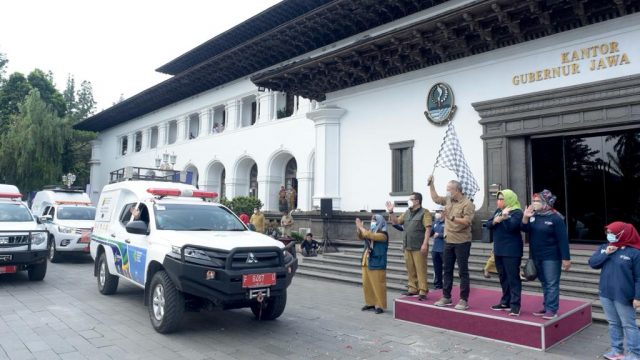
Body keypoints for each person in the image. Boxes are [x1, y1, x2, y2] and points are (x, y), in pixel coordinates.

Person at [589, 222, 640, 360]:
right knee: (613, 323)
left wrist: (638, 297)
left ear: (622, 234)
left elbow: (639, 277)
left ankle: (635, 354)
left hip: (624, 296)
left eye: (611, 232)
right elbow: (593, 263)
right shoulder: (605, 247)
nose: (609, 235)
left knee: (629, 325)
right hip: (606, 293)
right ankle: (617, 351)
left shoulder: (634, 253)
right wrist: (605, 253)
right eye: (607, 232)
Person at [521, 189, 571, 320]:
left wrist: (566, 258)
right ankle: (546, 306)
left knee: (551, 283)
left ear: (546, 203)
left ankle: (552, 309)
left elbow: (563, 240)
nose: (534, 203)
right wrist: (525, 216)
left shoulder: (556, 218)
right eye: (534, 200)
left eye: (537, 201)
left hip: (551, 257)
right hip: (536, 256)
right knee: (544, 283)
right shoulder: (534, 216)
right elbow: (524, 229)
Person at [428, 175, 475, 311]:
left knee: (462, 271)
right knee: (447, 269)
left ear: (457, 190)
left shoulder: (467, 203)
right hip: (448, 240)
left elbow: (467, 221)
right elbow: (436, 198)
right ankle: (446, 296)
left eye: (450, 190)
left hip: (462, 241)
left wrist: (452, 217)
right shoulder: (449, 200)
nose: (448, 192)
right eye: (447, 190)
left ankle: (463, 299)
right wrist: (431, 184)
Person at [386, 193, 432, 301]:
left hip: (419, 246)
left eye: (411, 199)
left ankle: (422, 290)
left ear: (417, 201)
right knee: (410, 268)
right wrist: (391, 212)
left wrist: (425, 243)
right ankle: (412, 288)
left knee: (421, 269)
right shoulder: (407, 212)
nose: (409, 201)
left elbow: (428, 229)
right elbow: (395, 221)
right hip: (407, 245)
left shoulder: (425, 212)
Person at [486, 189, 524, 316]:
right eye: (498, 198)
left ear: (508, 200)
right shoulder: (498, 211)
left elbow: (512, 227)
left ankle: (515, 305)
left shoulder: (517, 212)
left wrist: (504, 218)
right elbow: (488, 224)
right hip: (499, 249)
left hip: (512, 251)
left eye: (502, 199)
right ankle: (505, 301)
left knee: (513, 278)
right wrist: (496, 220)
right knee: (503, 277)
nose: (499, 201)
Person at [356, 214, 389, 314]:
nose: (372, 222)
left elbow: (370, 236)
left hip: (377, 261)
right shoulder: (371, 231)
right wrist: (358, 229)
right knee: (367, 283)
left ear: (380, 221)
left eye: (374, 220)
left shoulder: (383, 234)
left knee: (378, 284)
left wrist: (361, 227)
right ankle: (370, 303)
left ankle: (379, 305)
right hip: (367, 260)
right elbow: (361, 236)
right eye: (371, 220)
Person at [431, 206, 445, 289]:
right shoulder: (436, 222)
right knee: (437, 268)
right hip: (435, 249)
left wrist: (439, 235)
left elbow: (450, 234)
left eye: (438, 211)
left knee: (446, 269)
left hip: (444, 249)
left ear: (443, 212)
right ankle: (438, 285)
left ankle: (446, 285)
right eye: (436, 211)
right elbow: (430, 232)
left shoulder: (448, 222)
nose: (436, 213)